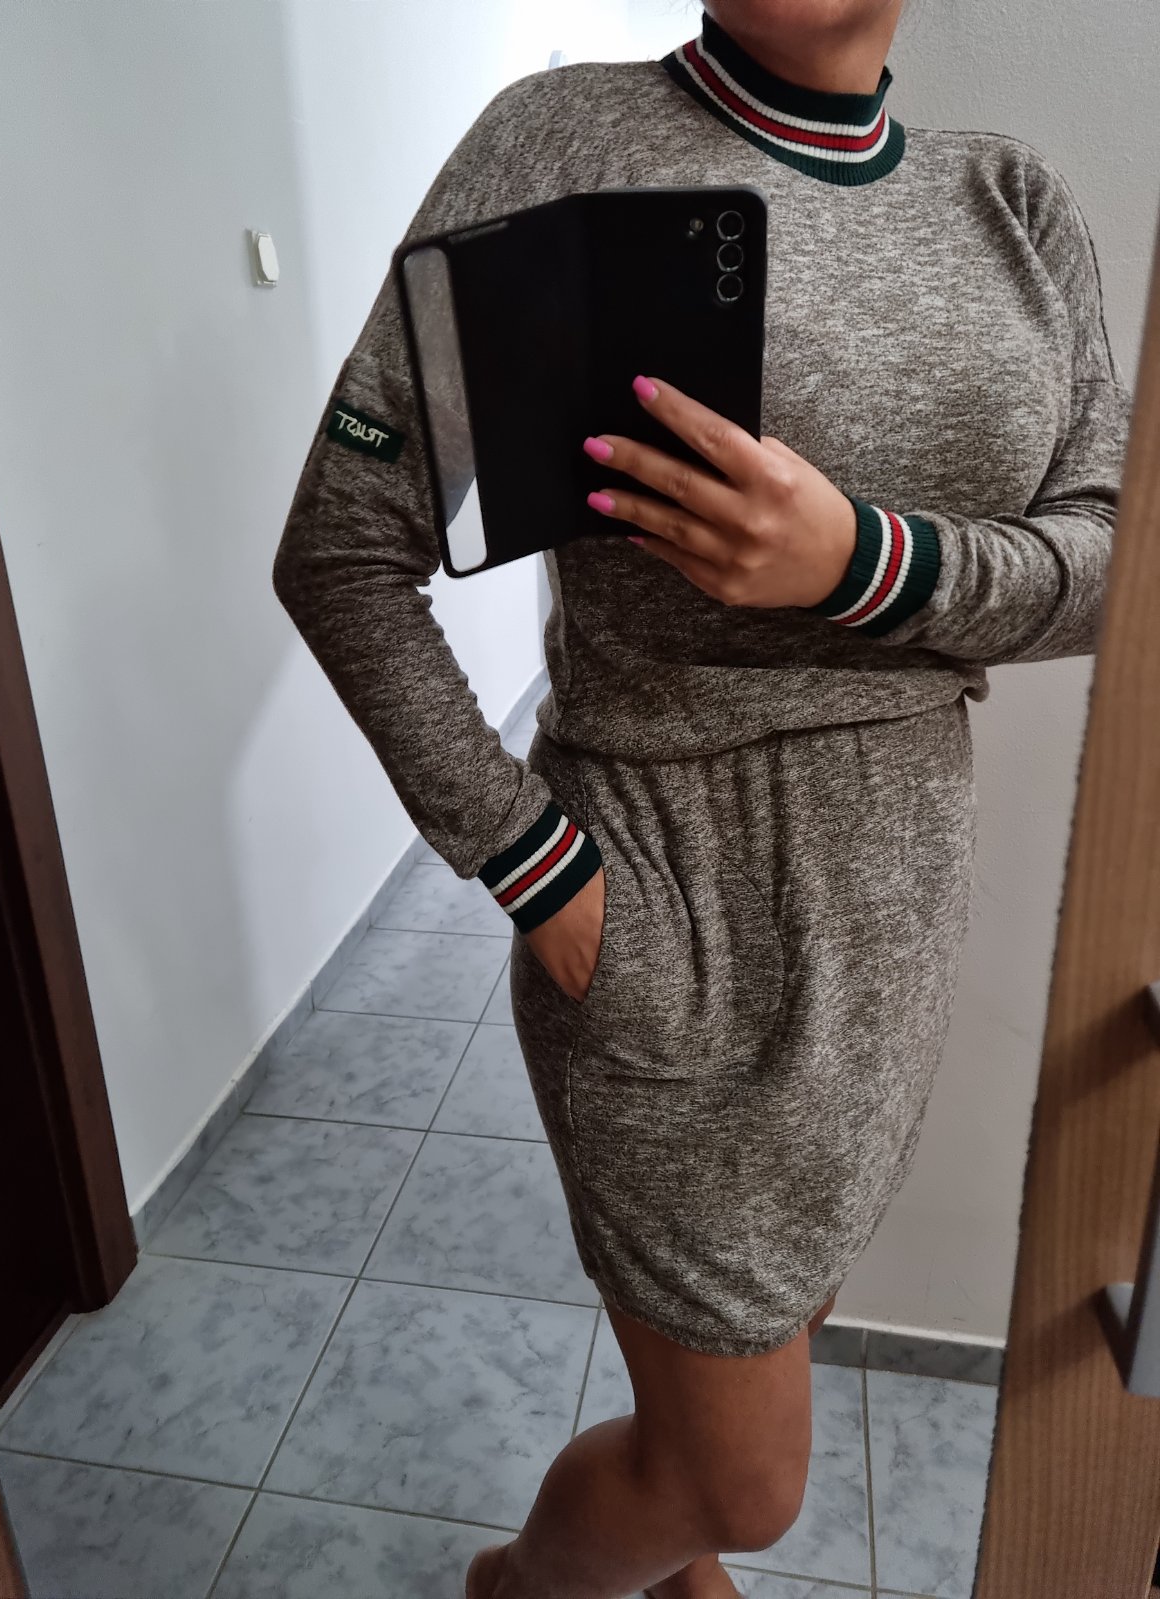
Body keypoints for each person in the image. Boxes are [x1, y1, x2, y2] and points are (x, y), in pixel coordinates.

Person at [271, 2, 1132, 1595]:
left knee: (769, 1329)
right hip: (662, 912)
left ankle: (673, 1561)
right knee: (742, 1481)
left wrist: (864, 561)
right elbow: (341, 549)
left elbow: (1108, 560)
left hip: (893, 931)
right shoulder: (560, 142)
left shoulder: (1010, 201)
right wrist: (541, 873)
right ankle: (522, 1588)